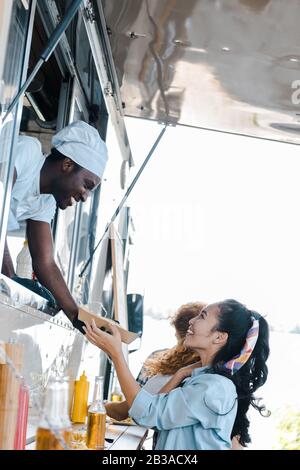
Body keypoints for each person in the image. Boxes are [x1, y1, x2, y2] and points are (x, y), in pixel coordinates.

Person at [83, 299, 270, 450]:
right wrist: (180, 373)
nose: (192, 321)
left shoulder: (213, 387)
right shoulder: (204, 379)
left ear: (219, 337)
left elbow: (148, 413)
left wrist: (117, 354)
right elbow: (157, 418)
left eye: (202, 317)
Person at [1, 121, 108, 330]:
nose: (85, 197)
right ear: (67, 164)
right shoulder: (27, 152)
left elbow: (45, 263)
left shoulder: (44, 201)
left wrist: (80, 320)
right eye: (87, 185)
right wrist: (10, 280)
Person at [105, 302, 204, 423]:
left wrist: (96, 407)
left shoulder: (160, 361)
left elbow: (131, 408)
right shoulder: (208, 371)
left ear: (176, 330)